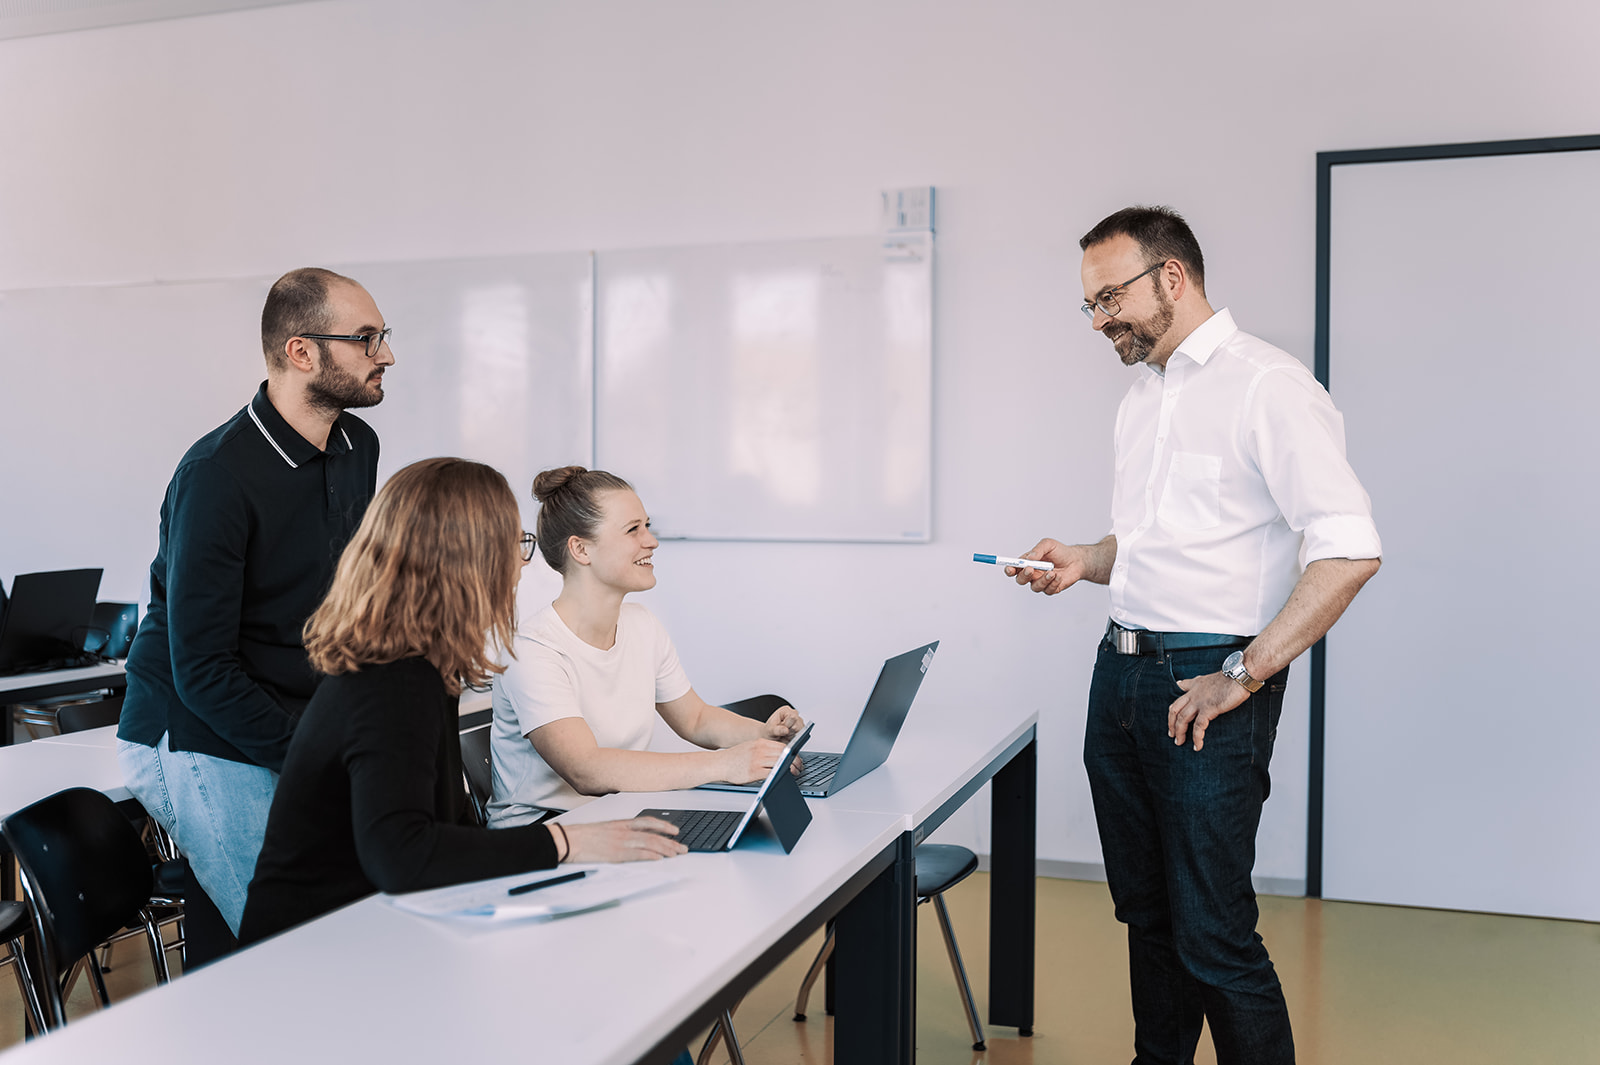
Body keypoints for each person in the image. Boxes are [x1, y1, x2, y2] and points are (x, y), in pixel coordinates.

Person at [1009, 206, 1381, 1065]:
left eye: (1111, 298)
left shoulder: (1268, 386)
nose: (1101, 320)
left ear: (1171, 277)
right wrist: (1086, 560)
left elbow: (1350, 551)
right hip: (1122, 677)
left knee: (1214, 932)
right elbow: (1155, 547)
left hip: (1208, 687)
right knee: (1148, 915)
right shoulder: (1142, 399)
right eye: (1090, 306)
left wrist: (1242, 672)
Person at [239, 458, 684, 944]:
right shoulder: (392, 682)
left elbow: (430, 835)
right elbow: (401, 855)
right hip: (314, 955)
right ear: (466, 560)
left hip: (376, 928)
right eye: (513, 544)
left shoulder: (420, 667)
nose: (520, 562)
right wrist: (566, 841)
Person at [116, 267, 394, 952]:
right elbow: (202, 671)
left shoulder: (360, 447)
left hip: (287, 715)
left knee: (349, 918)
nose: (385, 354)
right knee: (288, 945)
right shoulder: (218, 474)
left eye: (383, 336)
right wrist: (314, 752)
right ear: (302, 352)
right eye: (366, 338)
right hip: (193, 729)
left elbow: (344, 602)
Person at [488, 466, 803, 826]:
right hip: (542, 833)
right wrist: (724, 764)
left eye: (647, 526)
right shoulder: (532, 649)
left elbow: (696, 719)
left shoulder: (642, 625)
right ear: (580, 549)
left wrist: (762, 736)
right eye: (632, 530)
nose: (651, 541)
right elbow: (585, 769)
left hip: (617, 814)